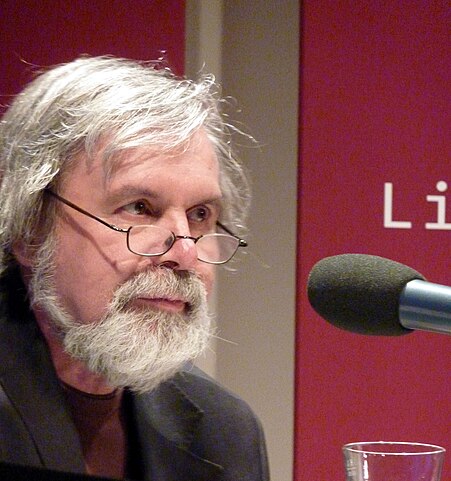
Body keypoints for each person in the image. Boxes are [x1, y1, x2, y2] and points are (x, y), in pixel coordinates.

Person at [0, 56, 269, 481]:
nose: (184, 253)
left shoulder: (225, 432)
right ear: (31, 228)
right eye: (139, 208)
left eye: (200, 214)